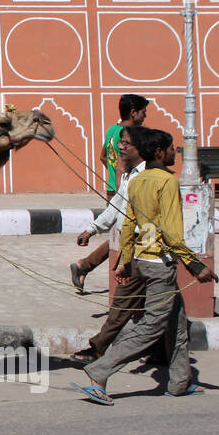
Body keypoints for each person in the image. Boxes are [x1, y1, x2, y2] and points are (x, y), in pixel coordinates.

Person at [78, 128, 219, 404]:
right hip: (159, 264)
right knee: (151, 327)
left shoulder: (138, 181)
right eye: (171, 148)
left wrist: (126, 262)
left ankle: (179, 382)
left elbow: (129, 223)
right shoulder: (166, 182)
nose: (174, 152)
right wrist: (194, 265)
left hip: (143, 260)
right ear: (158, 153)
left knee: (176, 324)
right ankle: (99, 371)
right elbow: (171, 232)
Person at [70, 125, 146, 362]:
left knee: (125, 307)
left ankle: (99, 355)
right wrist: (91, 229)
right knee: (157, 311)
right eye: (120, 143)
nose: (120, 147)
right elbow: (116, 209)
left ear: (140, 148)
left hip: (144, 251)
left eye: (125, 143)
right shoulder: (129, 175)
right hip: (132, 248)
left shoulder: (148, 178)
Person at [70, 93, 150, 289]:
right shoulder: (131, 135)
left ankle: (85, 266)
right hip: (124, 192)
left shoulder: (112, 130)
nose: (144, 116)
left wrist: (115, 178)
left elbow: (103, 157)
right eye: (143, 113)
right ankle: (86, 265)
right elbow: (123, 164)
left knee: (121, 235)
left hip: (114, 188)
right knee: (126, 235)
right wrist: (124, 181)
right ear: (134, 113)